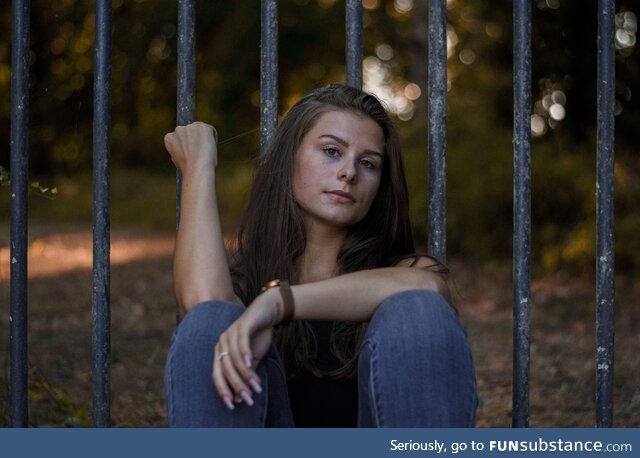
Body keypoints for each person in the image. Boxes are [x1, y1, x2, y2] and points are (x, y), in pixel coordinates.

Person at [163, 83, 477, 427]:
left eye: (369, 163)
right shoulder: (245, 281)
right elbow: (205, 305)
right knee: (212, 321)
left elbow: (425, 289)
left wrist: (279, 303)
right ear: (290, 156)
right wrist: (198, 168)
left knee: (417, 309)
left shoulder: (404, 272)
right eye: (331, 151)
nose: (350, 172)